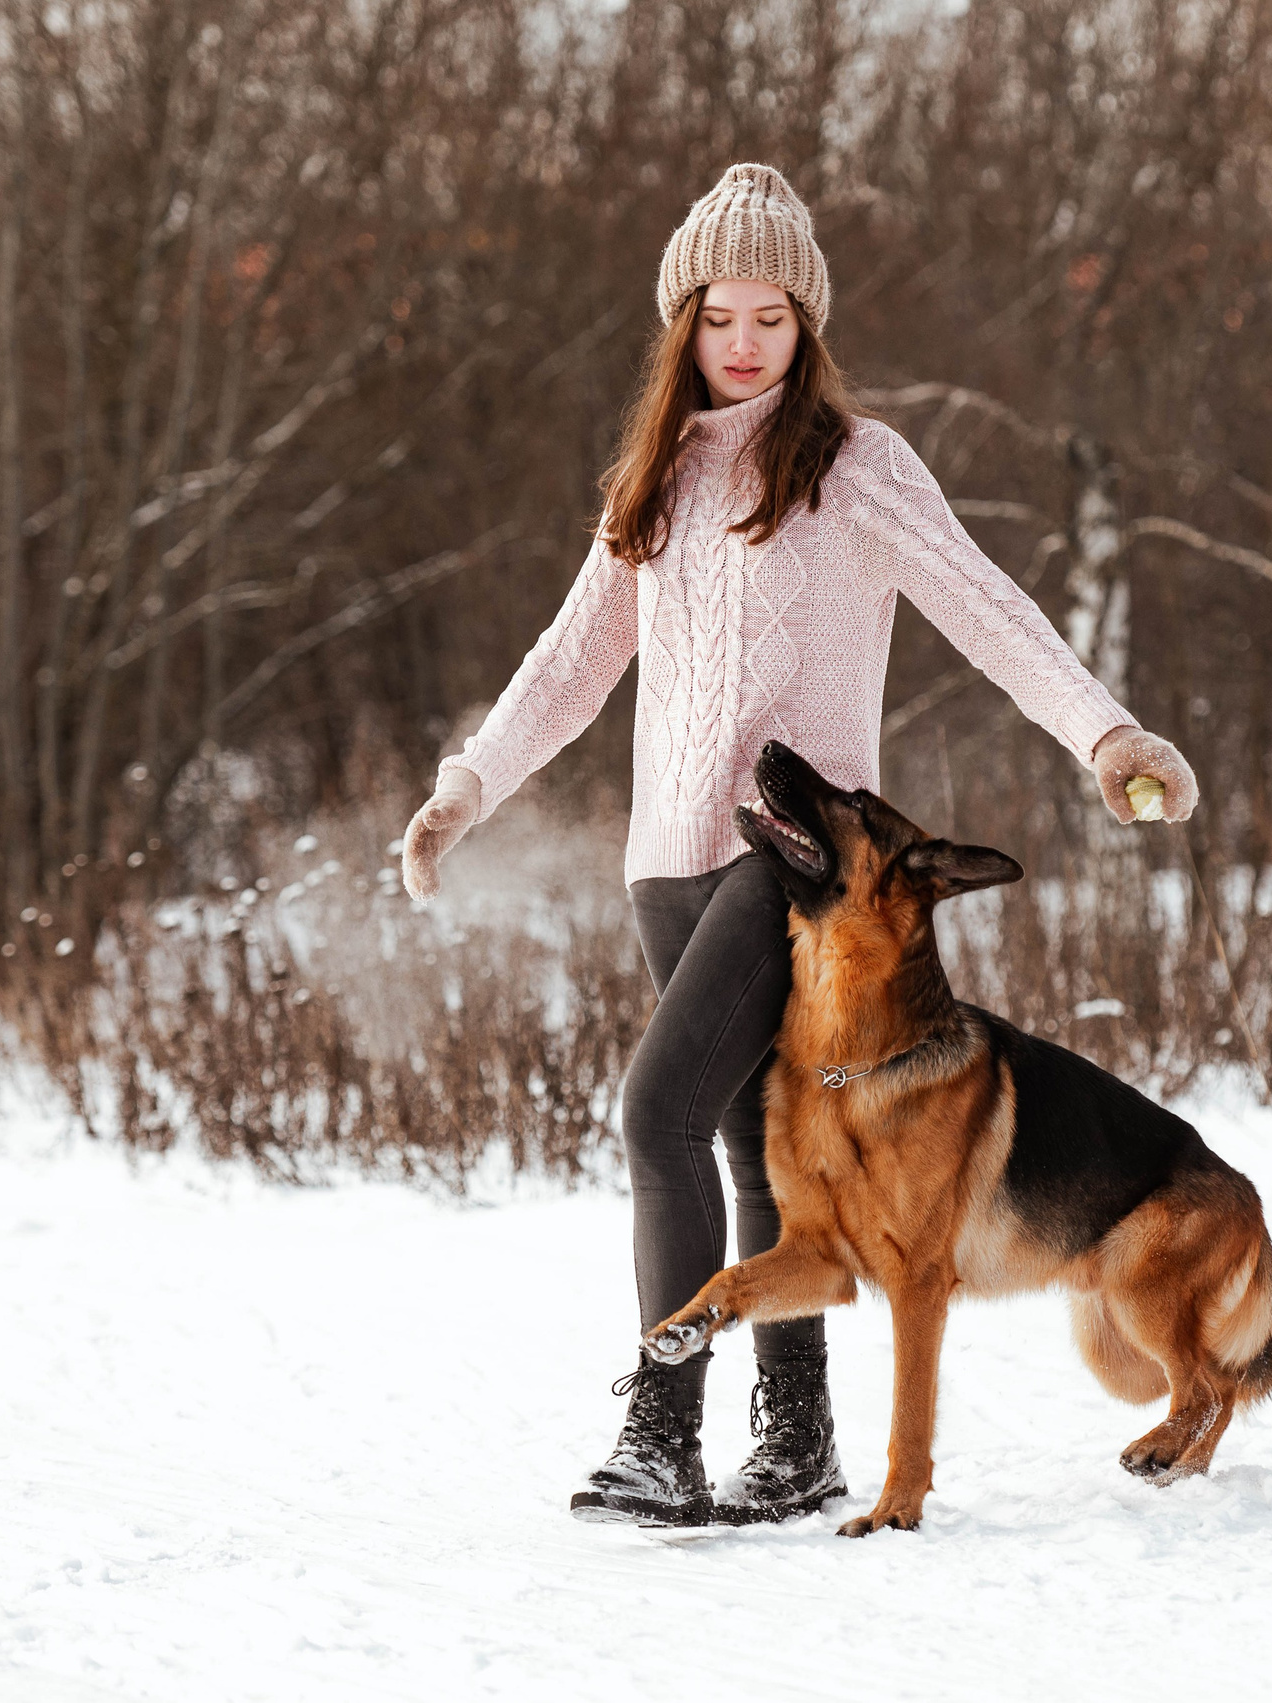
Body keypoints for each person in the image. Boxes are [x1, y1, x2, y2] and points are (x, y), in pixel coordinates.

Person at [398, 163, 1199, 1526]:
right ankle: (801, 1436)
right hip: (666, 863)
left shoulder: (857, 466)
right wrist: (468, 785)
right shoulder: (653, 477)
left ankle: (661, 1433)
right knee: (745, 1142)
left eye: (773, 315)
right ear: (686, 322)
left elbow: (991, 608)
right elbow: (570, 664)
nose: (747, 341)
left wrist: (1108, 737)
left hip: (794, 861)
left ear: (805, 323)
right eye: (723, 315)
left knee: (655, 1112)